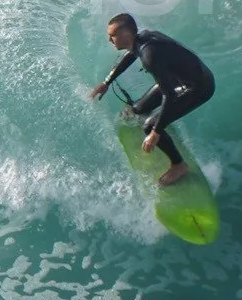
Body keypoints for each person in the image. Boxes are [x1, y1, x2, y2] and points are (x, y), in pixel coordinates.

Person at [89, 13, 215, 186]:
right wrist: (106, 82)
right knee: (138, 109)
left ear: (126, 35)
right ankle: (160, 122)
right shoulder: (142, 38)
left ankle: (178, 165)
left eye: (112, 36)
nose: (109, 39)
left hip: (198, 87)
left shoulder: (150, 56)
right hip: (179, 79)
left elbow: (169, 95)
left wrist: (155, 132)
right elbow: (131, 55)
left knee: (149, 125)